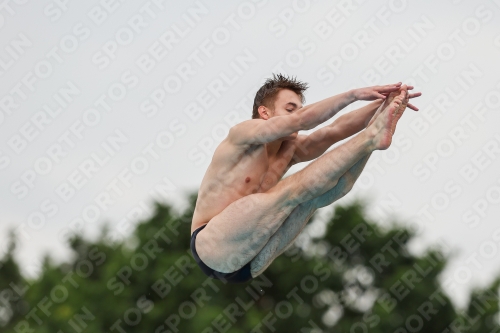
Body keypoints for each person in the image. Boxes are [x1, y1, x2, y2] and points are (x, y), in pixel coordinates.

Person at [190, 74, 421, 283]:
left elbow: (335, 130)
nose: (297, 113)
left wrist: (384, 104)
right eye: (291, 109)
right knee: (291, 190)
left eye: (300, 108)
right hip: (212, 243)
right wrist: (353, 95)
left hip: (248, 266)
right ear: (265, 113)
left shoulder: (290, 149)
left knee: (320, 195)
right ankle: (371, 137)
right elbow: (303, 121)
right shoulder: (243, 136)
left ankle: (374, 133)